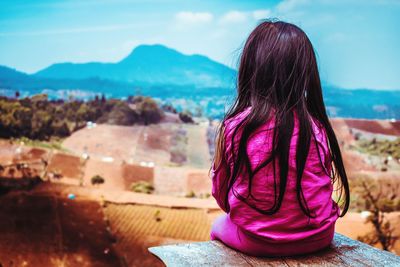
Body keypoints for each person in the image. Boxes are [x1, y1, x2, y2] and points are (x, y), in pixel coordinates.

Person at [209, 20, 350, 257]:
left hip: (257, 242)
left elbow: (223, 197)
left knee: (218, 226)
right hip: (320, 238)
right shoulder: (318, 129)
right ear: (306, 73)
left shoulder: (235, 128)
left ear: (250, 69)